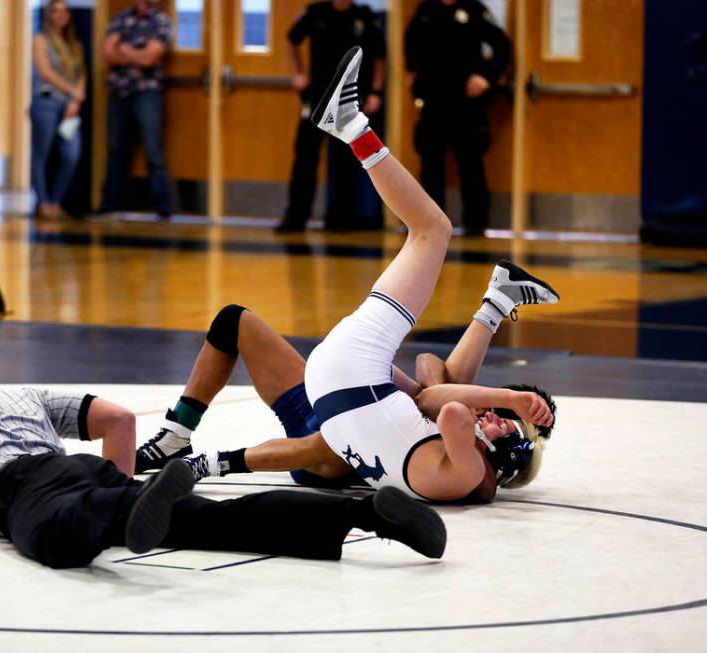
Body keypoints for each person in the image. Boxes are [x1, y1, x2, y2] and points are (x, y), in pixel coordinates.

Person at [137, 47, 557, 504]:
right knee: (233, 320)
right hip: (344, 395)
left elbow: (323, 445)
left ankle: (352, 126)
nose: (489, 414)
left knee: (432, 230)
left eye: (499, 421)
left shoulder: (461, 457)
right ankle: (175, 433)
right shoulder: (446, 435)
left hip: (343, 413)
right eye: (496, 412)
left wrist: (216, 464)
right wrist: (481, 368)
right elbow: (430, 373)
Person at [0, 330, 447, 569]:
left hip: (18, 487)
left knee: (54, 538)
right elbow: (118, 417)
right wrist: (116, 480)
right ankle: (367, 514)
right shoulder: (18, 393)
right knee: (221, 521)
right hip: (77, 467)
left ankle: (125, 510)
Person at [276, 0, 386, 233]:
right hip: (317, 99)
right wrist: (297, 74)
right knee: (305, 159)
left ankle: (340, 218)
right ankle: (296, 217)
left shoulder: (363, 17)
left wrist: (376, 91)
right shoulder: (316, 13)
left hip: (348, 102)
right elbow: (291, 40)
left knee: (346, 162)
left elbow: (379, 56)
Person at [405, 0, 511, 237]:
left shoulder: (474, 10)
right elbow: (411, 44)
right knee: (430, 166)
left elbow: (501, 47)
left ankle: (476, 223)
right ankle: (431, 226)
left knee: (471, 164)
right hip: (433, 102)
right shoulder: (425, 11)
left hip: (466, 104)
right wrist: (412, 73)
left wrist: (486, 77)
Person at [98, 0, 173, 220]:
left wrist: (124, 50)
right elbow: (108, 52)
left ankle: (163, 207)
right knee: (116, 149)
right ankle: (110, 205)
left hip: (147, 93)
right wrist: (135, 54)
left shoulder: (161, 22)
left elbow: (150, 58)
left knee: (153, 149)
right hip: (120, 92)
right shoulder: (121, 18)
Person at [31, 0, 87, 220]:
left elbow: (81, 73)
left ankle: (55, 201)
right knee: (41, 154)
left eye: (64, 12)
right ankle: (43, 202)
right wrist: (71, 91)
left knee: (70, 155)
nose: (60, 16)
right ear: (47, 14)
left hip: (69, 107)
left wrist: (75, 100)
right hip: (46, 102)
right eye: (55, 11)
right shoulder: (39, 40)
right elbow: (45, 72)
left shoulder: (75, 45)